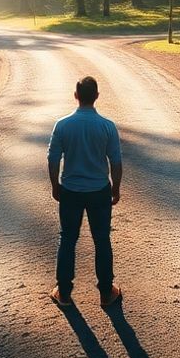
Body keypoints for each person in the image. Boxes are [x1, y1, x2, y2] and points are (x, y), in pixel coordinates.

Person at [47, 75, 123, 308]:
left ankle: (64, 291)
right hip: (99, 190)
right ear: (97, 97)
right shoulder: (107, 126)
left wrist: (55, 186)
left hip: (70, 190)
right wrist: (116, 189)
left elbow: (52, 159)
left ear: (76, 96)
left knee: (68, 238)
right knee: (102, 239)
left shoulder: (63, 125)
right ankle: (106, 291)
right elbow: (116, 162)